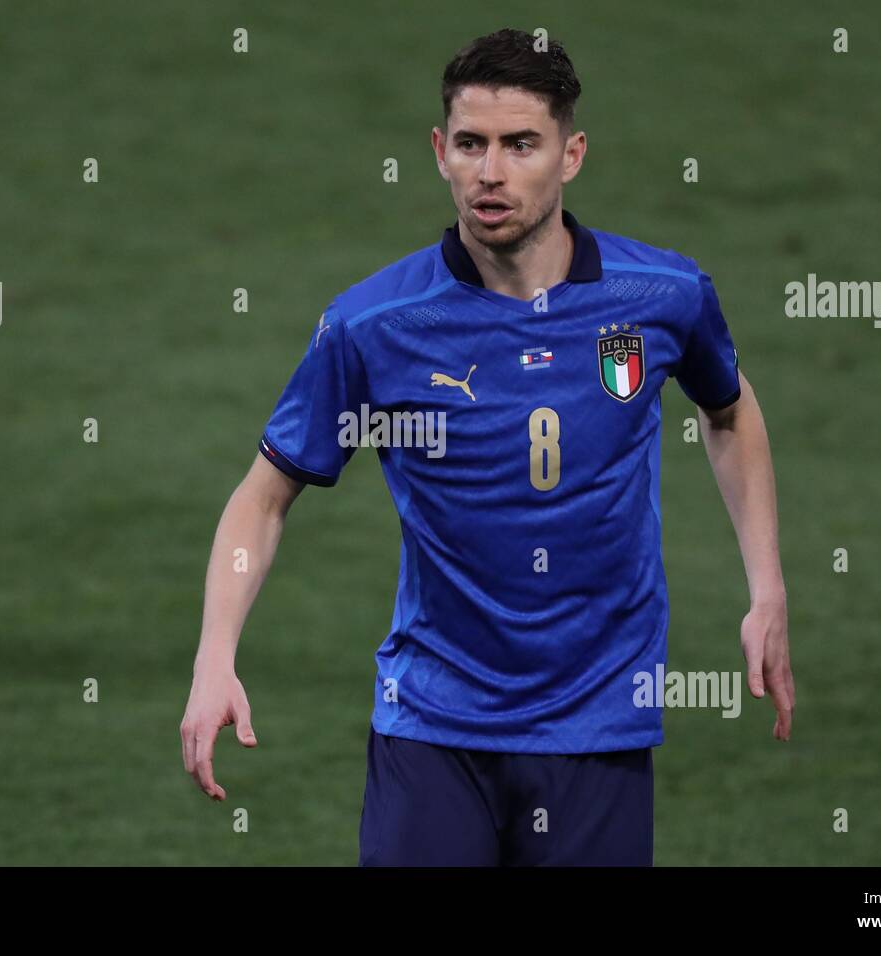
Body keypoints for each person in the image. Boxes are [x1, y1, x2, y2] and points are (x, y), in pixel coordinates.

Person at [181, 27, 794, 866]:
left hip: (600, 719)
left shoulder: (661, 297)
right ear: (439, 151)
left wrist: (768, 592)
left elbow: (728, 411)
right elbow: (264, 493)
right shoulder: (375, 325)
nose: (491, 172)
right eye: (470, 143)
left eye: (520, 145)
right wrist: (215, 657)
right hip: (433, 722)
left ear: (571, 154)